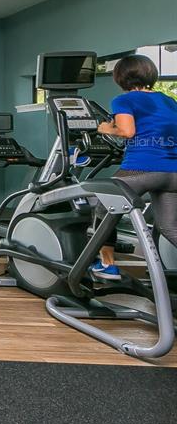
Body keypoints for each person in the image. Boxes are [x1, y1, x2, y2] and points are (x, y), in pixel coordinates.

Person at [92, 54, 177, 281]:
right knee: (169, 227)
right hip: (173, 173)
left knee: (104, 205)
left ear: (120, 77)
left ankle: (107, 264)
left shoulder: (124, 100)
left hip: (143, 169)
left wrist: (105, 129)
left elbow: (127, 132)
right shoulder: (168, 101)